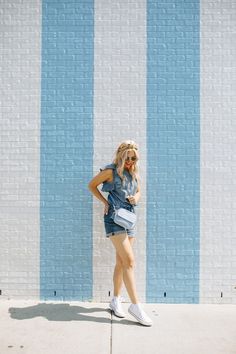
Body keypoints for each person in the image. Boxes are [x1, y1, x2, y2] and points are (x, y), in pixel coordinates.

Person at [88, 140, 152, 326]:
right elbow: (91, 185)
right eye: (128, 157)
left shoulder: (133, 173)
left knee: (121, 262)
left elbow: (139, 191)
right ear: (121, 155)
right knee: (130, 261)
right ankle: (136, 306)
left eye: (134, 158)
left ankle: (115, 300)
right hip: (114, 220)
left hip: (129, 220)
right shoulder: (110, 171)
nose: (131, 161)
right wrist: (105, 202)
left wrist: (136, 197)